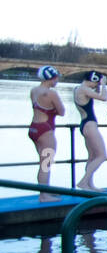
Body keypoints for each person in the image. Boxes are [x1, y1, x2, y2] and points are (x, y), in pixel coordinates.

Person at [29, 65, 64, 201]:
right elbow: (62, 112)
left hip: (33, 128)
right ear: (52, 78)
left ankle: (45, 191)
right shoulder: (51, 93)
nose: (57, 81)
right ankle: (43, 195)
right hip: (46, 130)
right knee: (46, 164)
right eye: (57, 79)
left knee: (42, 163)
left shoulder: (34, 90)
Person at [73, 71, 107, 190]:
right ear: (93, 80)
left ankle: (89, 184)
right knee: (102, 155)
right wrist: (104, 84)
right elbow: (104, 98)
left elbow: (95, 94)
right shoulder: (84, 89)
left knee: (92, 156)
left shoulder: (78, 89)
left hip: (84, 124)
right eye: (97, 83)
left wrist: (99, 85)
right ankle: (83, 182)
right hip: (90, 125)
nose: (97, 86)